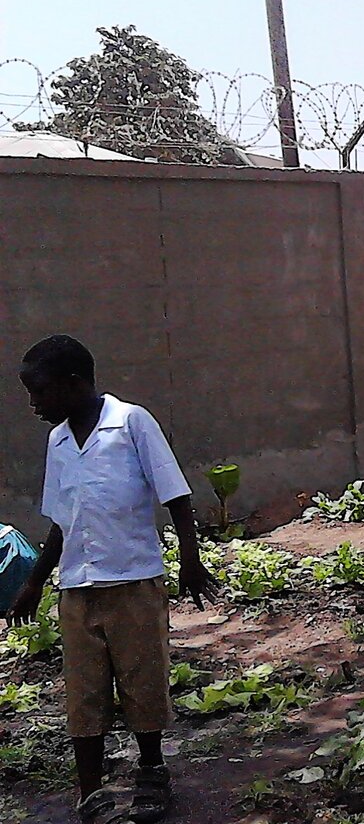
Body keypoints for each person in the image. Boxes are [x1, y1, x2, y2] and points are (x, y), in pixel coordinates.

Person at [8, 335, 220, 824]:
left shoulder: (131, 423)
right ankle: (91, 792)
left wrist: (190, 560)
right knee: (83, 693)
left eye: (39, 392)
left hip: (134, 582)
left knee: (142, 681)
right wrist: (36, 582)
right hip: (77, 589)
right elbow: (61, 520)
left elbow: (176, 497)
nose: (34, 403)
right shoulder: (58, 440)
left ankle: (151, 771)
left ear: (73, 383)